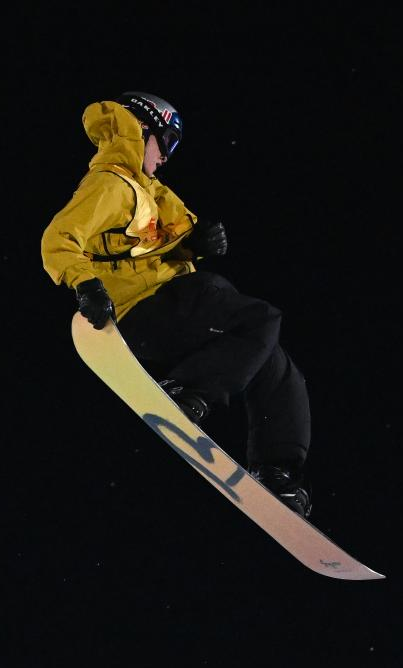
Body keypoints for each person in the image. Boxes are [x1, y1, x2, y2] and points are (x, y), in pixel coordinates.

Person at [40, 92, 312, 517]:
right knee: (259, 319)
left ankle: (278, 473)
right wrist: (87, 285)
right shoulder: (111, 184)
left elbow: (163, 242)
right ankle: (188, 392)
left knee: (275, 364)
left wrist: (197, 243)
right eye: (166, 141)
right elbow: (57, 239)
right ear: (140, 130)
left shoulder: (152, 192)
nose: (166, 156)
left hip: (178, 305)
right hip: (146, 309)